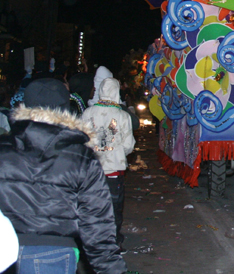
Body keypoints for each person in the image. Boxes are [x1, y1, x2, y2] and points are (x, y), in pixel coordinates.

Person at [0, 77, 126, 274]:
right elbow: (96, 223)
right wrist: (112, 268)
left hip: (5, 249)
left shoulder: (4, 150)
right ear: (65, 109)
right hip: (53, 253)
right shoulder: (81, 157)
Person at [82, 77, 136, 249]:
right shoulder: (122, 116)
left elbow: (80, 139)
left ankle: (92, 240)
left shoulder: (87, 113)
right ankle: (112, 240)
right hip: (113, 170)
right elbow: (128, 145)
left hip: (91, 170)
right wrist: (116, 153)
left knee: (92, 206)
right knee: (114, 207)